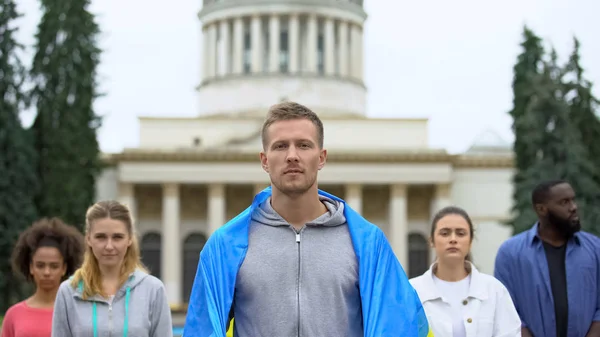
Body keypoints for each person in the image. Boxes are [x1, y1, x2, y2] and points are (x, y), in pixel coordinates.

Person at [183, 101, 431, 337]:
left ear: (321, 157)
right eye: (280, 146)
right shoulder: (224, 246)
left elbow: (398, 326)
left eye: (303, 145)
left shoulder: (368, 245)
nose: (292, 155)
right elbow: (202, 329)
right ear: (264, 160)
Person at [50, 200, 173, 337]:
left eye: (117, 237)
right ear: (89, 239)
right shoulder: (69, 291)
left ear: (129, 240)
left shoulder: (153, 289)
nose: (109, 246)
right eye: (101, 237)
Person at [494, 180, 600, 337]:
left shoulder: (595, 248)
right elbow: (506, 311)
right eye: (564, 202)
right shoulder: (510, 253)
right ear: (542, 209)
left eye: (573, 199)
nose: (573, 207)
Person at [410, 206, 521, 337]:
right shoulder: (412, 291)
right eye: (445, 233)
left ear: (470, 241)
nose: (453, 239)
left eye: (460, 233)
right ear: (431, 241)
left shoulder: (494, 290)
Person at [1, 218, 85, 337]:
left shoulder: (78, 313)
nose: (46, 272)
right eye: (40, 265)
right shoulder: (14, 314)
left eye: (54, 266)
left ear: (64, 268)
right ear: (31, 267)